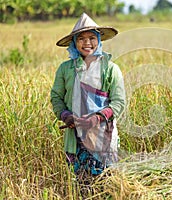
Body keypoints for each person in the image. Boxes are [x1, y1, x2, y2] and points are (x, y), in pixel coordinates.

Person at [50, 13, 125, 180]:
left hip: (103, 135)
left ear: (98, 40)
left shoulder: (111, 69)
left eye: (92, 37)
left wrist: (96, 119)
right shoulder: (65, 69)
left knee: (106, 181)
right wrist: (66, 116)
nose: (87, 43)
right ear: (74, 43)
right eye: (81, 39)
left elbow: (119, 102)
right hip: (74, 136)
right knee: (80, 183)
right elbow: (56, 97)